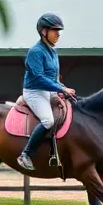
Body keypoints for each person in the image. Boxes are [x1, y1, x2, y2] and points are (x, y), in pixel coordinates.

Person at [17, 13, 77, 171]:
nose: (58, 34)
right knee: (48, 121)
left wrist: (62, 89)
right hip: (34, 91)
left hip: (48, 90)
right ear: (44, 32)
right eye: (55, 30)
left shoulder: (53, 52)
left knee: (66, 110)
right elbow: (39, 78)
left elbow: (53, 78)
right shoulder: (35, 52)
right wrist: (61, 88)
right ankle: (26, 154)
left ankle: (55, 153)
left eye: (59, 31)